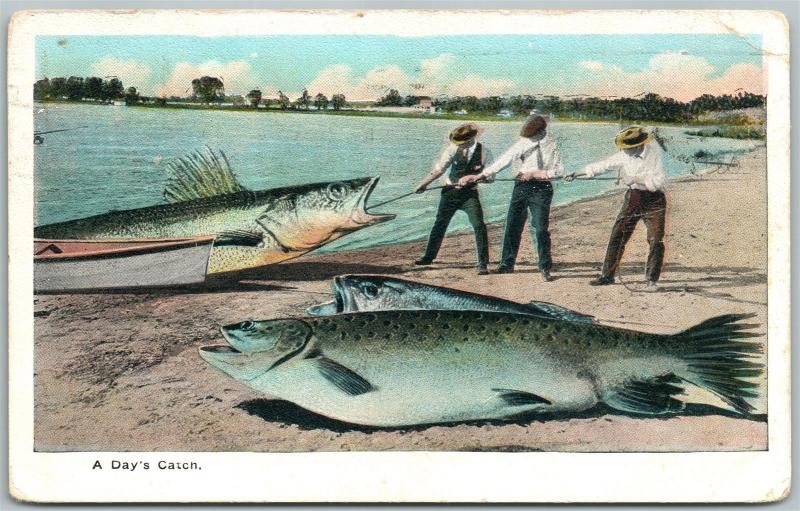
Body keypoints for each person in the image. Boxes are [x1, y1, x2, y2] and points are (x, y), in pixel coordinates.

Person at [459, 115, 563, 282]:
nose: (529, 139)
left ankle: (545, 267)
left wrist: (536, 173)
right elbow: (503, 161)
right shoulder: (523, 143)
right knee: (512, 224)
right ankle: (507, 264)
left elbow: (559, 172)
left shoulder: (552, 144)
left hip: (542, 189)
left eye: (533, 136)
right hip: (521, 186)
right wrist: (480, 176)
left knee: (540, 228)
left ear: (542, 132)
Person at [565, 126, 667, 287]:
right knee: (618, 235)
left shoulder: (655, 154)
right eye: (623, 148)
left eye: (627, 148)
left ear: (638, 145)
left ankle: (652, 279)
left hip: (654, 200)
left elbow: (659, 181)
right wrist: (576, 173)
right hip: (633, 198)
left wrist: (634, 179)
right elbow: (603, 166)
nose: (623, 151)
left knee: (655, 238)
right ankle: (607, 276)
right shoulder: (624, 155)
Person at [413, 123, 492, 275]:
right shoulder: (452, 149)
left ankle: (483, 263)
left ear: (472, 138)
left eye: (463, 142)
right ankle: (428, 257)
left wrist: (474, 178)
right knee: (440, 224)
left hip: (469, 195)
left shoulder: (485, 152)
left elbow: (491, 178)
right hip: (449, 193)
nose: (460, 145)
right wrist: (423, 185)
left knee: (479, 225)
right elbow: (439, 169)